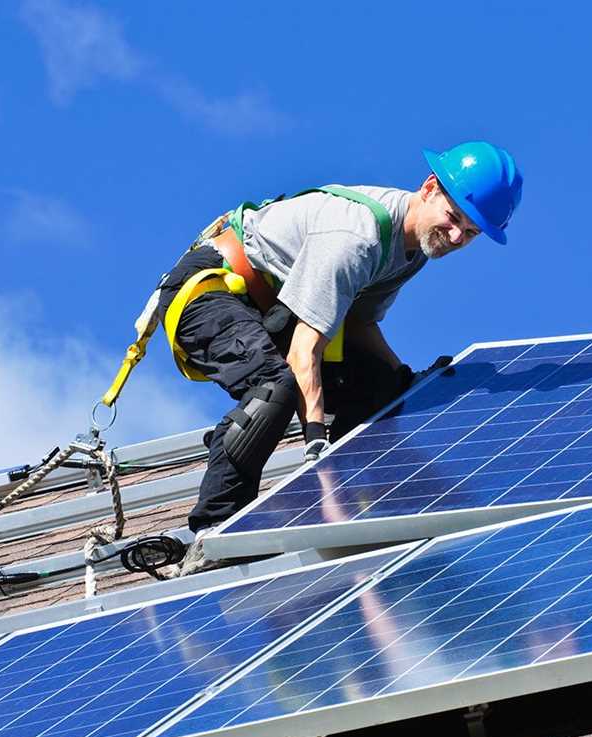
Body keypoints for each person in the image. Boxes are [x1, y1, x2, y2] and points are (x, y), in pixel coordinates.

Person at [148, 142, 522, 578]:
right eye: (454, 218)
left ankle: (364, 493)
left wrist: (405, 379)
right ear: (429, 188)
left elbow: (360, 326)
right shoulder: (357, 238)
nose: (457, 236)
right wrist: (316, 451)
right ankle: (216, 530)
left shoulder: (411, 251)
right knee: (276, 387)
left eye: (471, 232)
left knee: (383, 387)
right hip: (210, 290)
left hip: (274, 307)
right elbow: (303, 352)